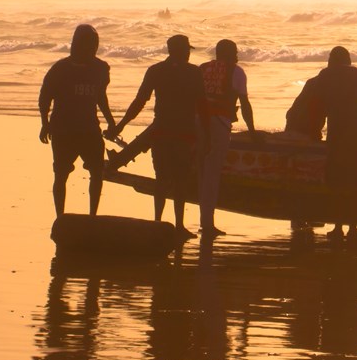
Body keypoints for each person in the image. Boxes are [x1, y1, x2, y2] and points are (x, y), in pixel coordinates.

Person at [109, 35, 204, 227]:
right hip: (184, 134)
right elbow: (202, 105)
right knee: (180, 181)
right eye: (187, 50)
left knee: (161, 179)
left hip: (161, 132)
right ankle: (179, 225)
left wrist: (121, 125)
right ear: (180, 51)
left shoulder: (156, 71)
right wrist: (206, 136)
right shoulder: (194, 72)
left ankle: (157, 222)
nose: (188, 53)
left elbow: (139, 102)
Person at [38, 24, 115, 217]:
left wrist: (111, 121)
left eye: (94, 44)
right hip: (63, 129)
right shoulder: (60, 69)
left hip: (89, 128)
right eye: (87, 44)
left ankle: (92, 216)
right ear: (76, 44)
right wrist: (44, 123)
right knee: (61, 174)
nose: (91, 48)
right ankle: (60, 216)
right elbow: (45, 97)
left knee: (97, 173)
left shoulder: (101, 68)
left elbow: (100, 97)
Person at [311, 46, 357, 241]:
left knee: (337, 180)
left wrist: (313, 132)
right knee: (354, 179)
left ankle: (337, 227)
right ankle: (353, 227)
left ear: (331, 60)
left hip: (337, 131)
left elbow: (318, 106)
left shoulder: (325, 75)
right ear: (349, 60)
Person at [196, 39, 256, 238]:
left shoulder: (202, 68)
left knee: (201, 171)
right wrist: (252, 131)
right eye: (236, 52)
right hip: (219, 124)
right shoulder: (236, 71)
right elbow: (244, 104)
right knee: (212, 175)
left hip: (197, 122)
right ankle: (207, 224)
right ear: (230, 54)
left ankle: (203, 219)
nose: (238, 56)